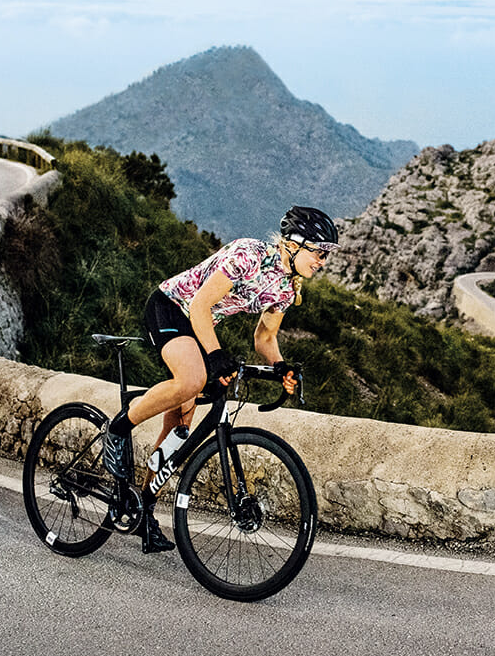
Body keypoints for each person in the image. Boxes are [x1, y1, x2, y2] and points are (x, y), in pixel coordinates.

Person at [101, 204, 340, 553]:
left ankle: (144, 509)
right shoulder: (249, 254)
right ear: (295, 243)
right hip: (172, 307)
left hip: (201, 326)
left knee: (180, 427)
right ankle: (119, 428)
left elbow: (265, 338)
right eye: (319, 252)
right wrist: (214, 356)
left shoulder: (286, 290)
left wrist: (281, 366)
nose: (322, 260)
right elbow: (199, 305)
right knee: (193, 379)